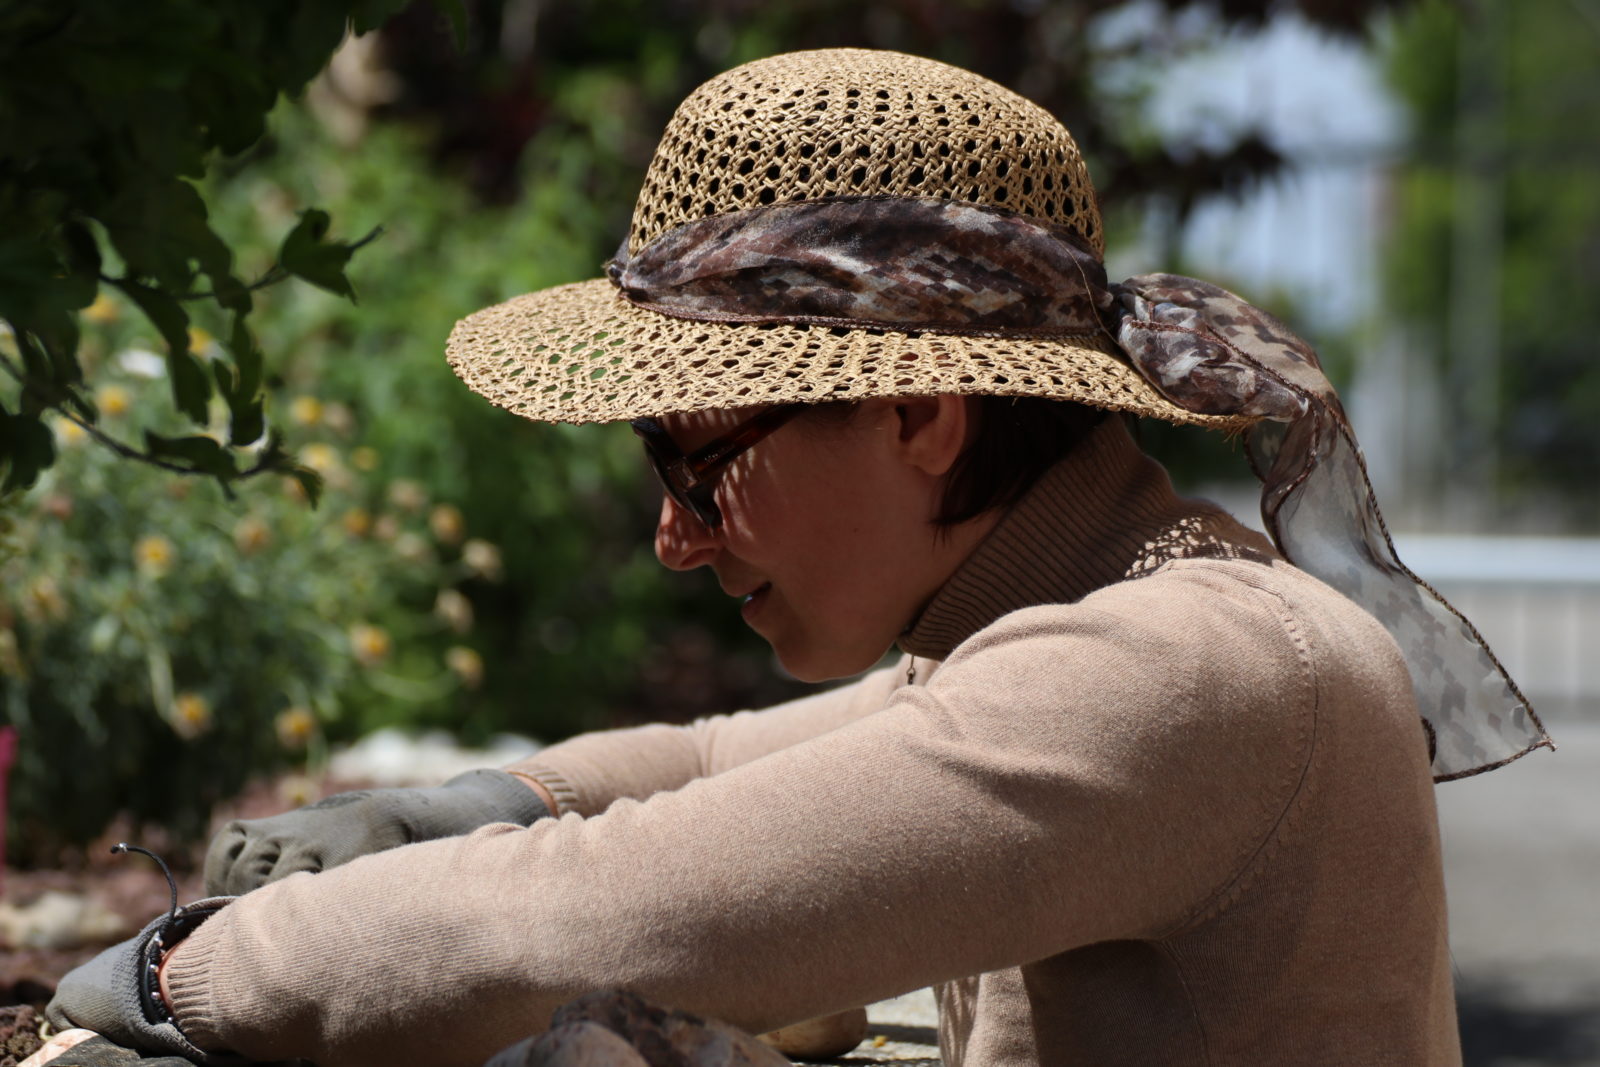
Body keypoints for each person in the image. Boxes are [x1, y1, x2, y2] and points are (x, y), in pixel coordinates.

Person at [47, 47, 1551, 1067]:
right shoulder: (1095, 600)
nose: (672, 535)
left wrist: (176, 973)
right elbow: (718, 767)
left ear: (918, 413)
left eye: (697, 462)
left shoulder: (1178, 672)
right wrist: (478, 799)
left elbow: (606, 914)